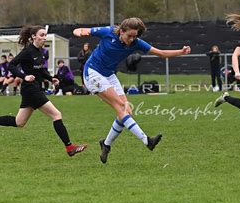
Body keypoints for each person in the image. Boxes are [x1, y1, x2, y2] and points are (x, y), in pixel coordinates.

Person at [73, 17, 191, 163]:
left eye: (135, 36)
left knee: (126, 112)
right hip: (93, 73)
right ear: (121, 31)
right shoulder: (108, 32)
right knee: (122, 107)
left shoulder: (135, 43)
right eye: (129, 36)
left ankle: (106, 144)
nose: (132, 39)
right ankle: (147, 141)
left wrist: (181, 52)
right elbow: (84, 30)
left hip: (108, 74)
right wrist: (79, 31)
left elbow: (160, 53)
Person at [0, 25, 87, 157]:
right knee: (57, 115)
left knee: (19, 122)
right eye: (42, 35)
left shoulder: (41, 52)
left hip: (32, 89)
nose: (44, 37)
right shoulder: (28, 51)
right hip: (31, 89)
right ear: (34, 37)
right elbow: (11, 65)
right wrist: (23, 76)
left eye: (45, 35)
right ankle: (69, 147)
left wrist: (51, 78)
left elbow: (40, 70)